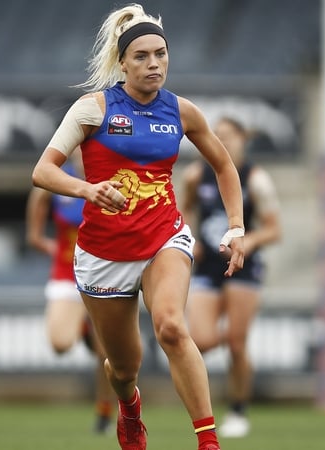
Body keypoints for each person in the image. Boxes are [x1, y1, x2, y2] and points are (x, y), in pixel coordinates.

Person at [31, 4, 245, 450]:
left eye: (161, 54)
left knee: (171, 326)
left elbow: (224, 164)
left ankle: (208, 441)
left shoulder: (182, 111)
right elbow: (43, 172)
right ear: (123, 62)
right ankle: (129, 409)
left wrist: (237, 226)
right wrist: (88, 190)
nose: (154, 64)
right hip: (103, 255)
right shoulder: (93, 109)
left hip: (163, 236)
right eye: (142, 56)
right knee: (124, 367)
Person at [183, 117, 281, 438]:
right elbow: (183, 210)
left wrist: (249, 241)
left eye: (228, 136)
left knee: (237, 346)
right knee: (201, 340)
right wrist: (190, 238)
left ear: (243, 139)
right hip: (209, 267)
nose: (222, 142)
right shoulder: (197, 174)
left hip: (244, 267)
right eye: (217, 136)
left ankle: (238, 409)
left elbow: (274, 229)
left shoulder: (256, 179)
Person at [25, 151, 115, 434]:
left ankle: (104, 410)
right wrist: (39, 239)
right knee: (60, 343)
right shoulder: (60, 179)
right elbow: (38, 196)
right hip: (67, 272)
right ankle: (84, 329)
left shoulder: (114, 176)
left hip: (104, 272)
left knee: (107, 353)